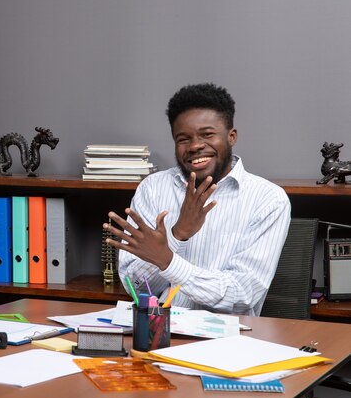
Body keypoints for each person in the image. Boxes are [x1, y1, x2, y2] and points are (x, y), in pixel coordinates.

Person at [105, 83, 290, 316]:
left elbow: (243, 295)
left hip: (228, 341)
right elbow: (137, 288)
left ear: (231, 136)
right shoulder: (152, 188)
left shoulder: (268, 199)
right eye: (183, 139)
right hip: (158, 331)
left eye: (207, 134)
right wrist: (177, 234)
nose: (195, 146)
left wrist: (168, 261)